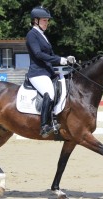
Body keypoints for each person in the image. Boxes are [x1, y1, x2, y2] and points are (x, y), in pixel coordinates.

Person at [26, 6, 76, 138]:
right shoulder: (32, 34)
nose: (46, 23)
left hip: (48, 72)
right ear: (35, 21)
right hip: (37, 73)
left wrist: (66, 59)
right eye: (44, 20)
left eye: (47, 21)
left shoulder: (43, 35)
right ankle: (44, 126)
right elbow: (38, 54)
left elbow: (51, 55)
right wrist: (60, 60)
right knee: (50, 93)